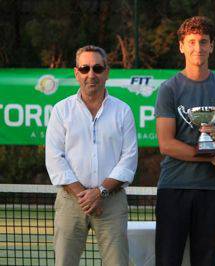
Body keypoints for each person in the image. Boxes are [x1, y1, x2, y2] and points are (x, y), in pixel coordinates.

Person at [154, 16, 215, 266]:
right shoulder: (169, 88)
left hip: (212, 190)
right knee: (168, 260)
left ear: (212, 46)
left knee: (205, 261)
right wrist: (213, 156)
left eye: (203, 42)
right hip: (174, 187)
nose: (198, 48)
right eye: (191, 42)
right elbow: (167, 144)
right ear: (181, 46)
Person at [45, 45, 138, 266]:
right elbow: (55, 159)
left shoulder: (123, 111)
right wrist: (84, 196)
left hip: (112, 203)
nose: (91, 74)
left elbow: (129, 158)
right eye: (85, 68)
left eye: (97, 68)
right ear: (76, 72)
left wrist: (100, 192)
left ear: (106, 72)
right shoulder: (61, 110)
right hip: (70, 202)